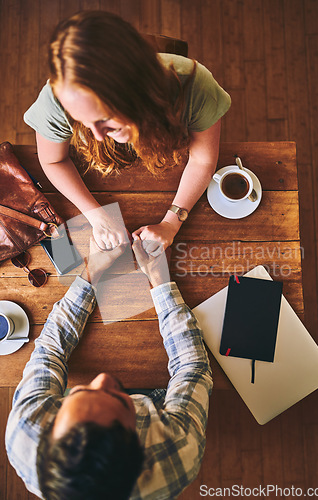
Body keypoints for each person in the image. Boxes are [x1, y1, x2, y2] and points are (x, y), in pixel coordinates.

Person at [5, 236, 213, 499]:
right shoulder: (178, 454)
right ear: (140, 441)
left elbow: (49, 351)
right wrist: (160, 281)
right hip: (162, 402)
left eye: (79, 393)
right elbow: (192, 368)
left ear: (50, 423)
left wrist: (92, 271)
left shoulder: (25, 429)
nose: (103, 378)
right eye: (121, 398)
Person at [24, 10, 231, 255]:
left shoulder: (196, 87)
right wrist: (97, 216)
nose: (98, 135)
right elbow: (52, 159)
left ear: (140, 94)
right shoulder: (57, 99)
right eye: (84, 122)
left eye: (104, 118)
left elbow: (203, 159)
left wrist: (171, 222)